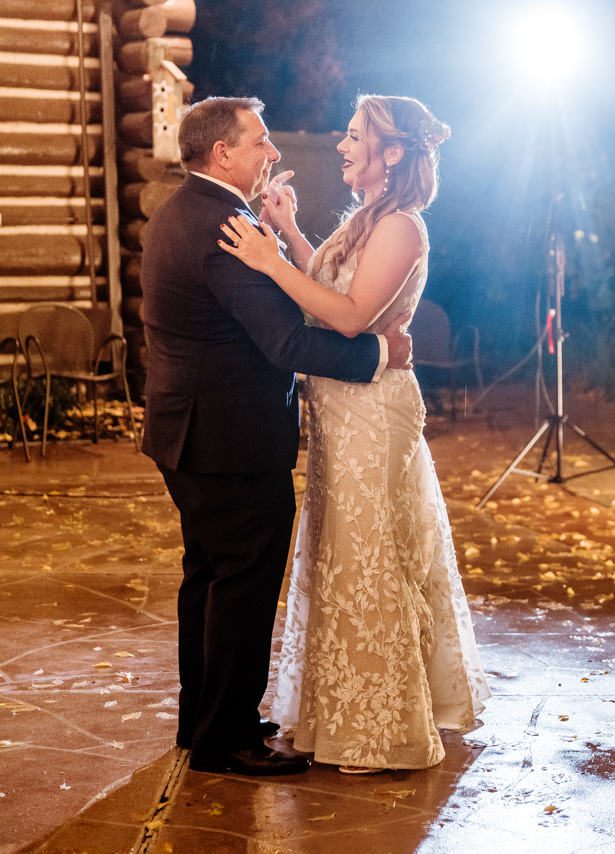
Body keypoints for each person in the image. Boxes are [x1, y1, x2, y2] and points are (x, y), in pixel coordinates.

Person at [142, 96, 414, 776]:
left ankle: (202, 718)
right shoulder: (227, 229)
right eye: (260, 142)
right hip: (228, 441)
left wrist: (286, 240)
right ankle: (226, 737)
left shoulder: (187, 212)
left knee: (207, 576)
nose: (274, 153)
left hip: (189, 431)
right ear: (223, 154)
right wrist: (382, 356)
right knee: (240, 581)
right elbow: (285, 340)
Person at [219, 94, 490, 774]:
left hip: (374, 413)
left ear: (391, 152)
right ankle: (348, 708)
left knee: (368, 556)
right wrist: (289, 233)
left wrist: (268, 261)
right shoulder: (367, 220)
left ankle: (380, 727)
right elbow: (335, 284)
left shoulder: (402, 227)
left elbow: (347, 317)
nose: (341, 146)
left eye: (353, 135)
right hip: (341, 411)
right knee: (345, 554)